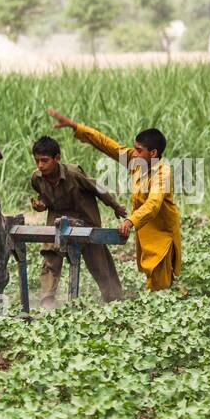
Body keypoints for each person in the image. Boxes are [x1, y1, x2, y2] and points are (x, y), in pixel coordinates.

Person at [47, 108, 183, 292]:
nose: (133, 153)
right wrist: (76, 127)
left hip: (162, 234)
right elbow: (108, 145)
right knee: (151, 274)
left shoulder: (162, 174)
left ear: (153, 154)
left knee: (160, 281)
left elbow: (153, 204)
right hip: (145, 230)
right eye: (134, 148)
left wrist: (130, 220)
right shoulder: (137, 161)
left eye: (138, 150)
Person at [28, 135, 126, 309]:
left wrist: (116, 206)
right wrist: (41, 206)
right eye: (37, 161)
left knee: (98, 262)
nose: (40, 166)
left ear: (57, 158)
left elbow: (98, 189)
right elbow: (45, 198)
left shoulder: (74, 173)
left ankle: (115, 300)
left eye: (44, 160)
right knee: (51, 257)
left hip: (84, 218)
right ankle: (47, 301)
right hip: (57, 220)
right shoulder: (37, 178)